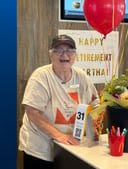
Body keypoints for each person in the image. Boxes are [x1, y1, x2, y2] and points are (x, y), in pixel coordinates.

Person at [18, 34, 99, 169]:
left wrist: (95, 126)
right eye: (59, 50)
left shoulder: (81, 76)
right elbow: (32, 112)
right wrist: (59, 135)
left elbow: (94, 101)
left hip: (69, 147)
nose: (64, 55)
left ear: (75, 55)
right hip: (40, 149)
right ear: (51, 55)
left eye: (69, 51)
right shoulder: (41, 76)